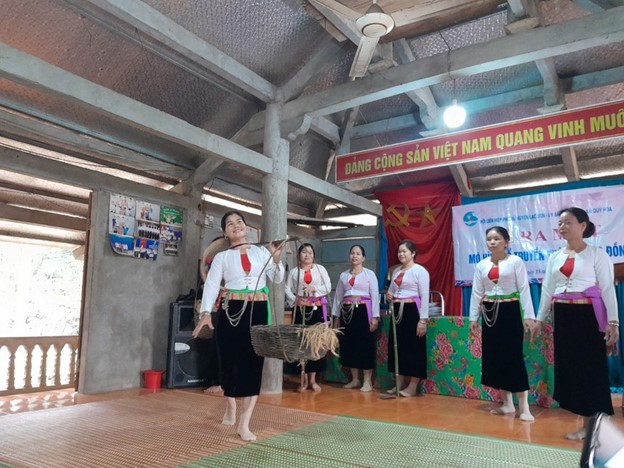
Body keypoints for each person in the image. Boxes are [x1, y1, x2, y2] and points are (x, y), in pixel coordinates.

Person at [193, 211, 284, 441]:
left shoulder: (262, 252)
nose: (236, 225)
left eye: (239, 222)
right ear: (225, 232)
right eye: (230, 224)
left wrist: (275, 258)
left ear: (246, 227)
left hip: (258, 309)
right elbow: (212, 285)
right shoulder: (222, 257)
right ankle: (231, 404)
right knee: (229, 360)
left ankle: (245, 423)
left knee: (253, 362)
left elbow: (278, 278)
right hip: (231, 309)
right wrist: (206, 313)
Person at [532, 207, 619, 440]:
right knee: (571, 369)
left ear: (583, 226)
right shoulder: (554, 257)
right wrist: (539, 319)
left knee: (590, 368)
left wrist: (613, 322)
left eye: (568, 222)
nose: (562, 227)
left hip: (587, 316)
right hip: (563, 316)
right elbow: (547, 290)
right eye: (560, 223)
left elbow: (607, 289)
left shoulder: (597, 255)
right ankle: (585, 423)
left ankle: (594, 425)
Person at [469, 226, 536, 421]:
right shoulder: (481, 265)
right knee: (495, 357)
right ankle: (507, 404)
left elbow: (524, 289)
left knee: (513, 357)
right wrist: (473, 318)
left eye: (497, 238)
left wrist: (528, 316)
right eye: (489, 239)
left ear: (506, 242)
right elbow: (476, 292)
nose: (492, 242)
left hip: (510, 311)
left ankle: (524, 407)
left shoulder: (515, 262)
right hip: (490, 313)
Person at [284, 243, 332, 392]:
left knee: (315, 344)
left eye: (310, 252)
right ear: (299, 255)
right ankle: (303, 380)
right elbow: (287, 288)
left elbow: (328, 286)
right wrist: (295, 300)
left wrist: (314, 289)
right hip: (300, 309)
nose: (307, 255)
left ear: (314, 255)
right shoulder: (294, 272)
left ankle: (313, 379)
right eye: (304, 252)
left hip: (317, 309)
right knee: (302, 343)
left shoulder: (320, 269)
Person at [332, 244, 379, 392]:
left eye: (358, 253)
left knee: (364, 345)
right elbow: (338, 297)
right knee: (349, 344)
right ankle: (355, 379)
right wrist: (336, 316)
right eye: (352, 253)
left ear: (363, 258)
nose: (355, 256)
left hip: (363, 311)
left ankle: (367, 381)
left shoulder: (369, 275)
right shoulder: (343, 275)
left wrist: (375, 317)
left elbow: (375, 296)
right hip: (346, 312)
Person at [385, 240, 430, 397]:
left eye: (404, 251)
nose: (401, 254)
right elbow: (391, 292)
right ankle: (399, 383)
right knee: (397, 347)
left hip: (412, 311)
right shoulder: (396, 271)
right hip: (397, 311)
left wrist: (422, 320)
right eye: (399, 251)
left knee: (414, 347)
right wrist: (389, 296)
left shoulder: (420, 271)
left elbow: (425, 296)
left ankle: (412, 386)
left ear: (413, 253)